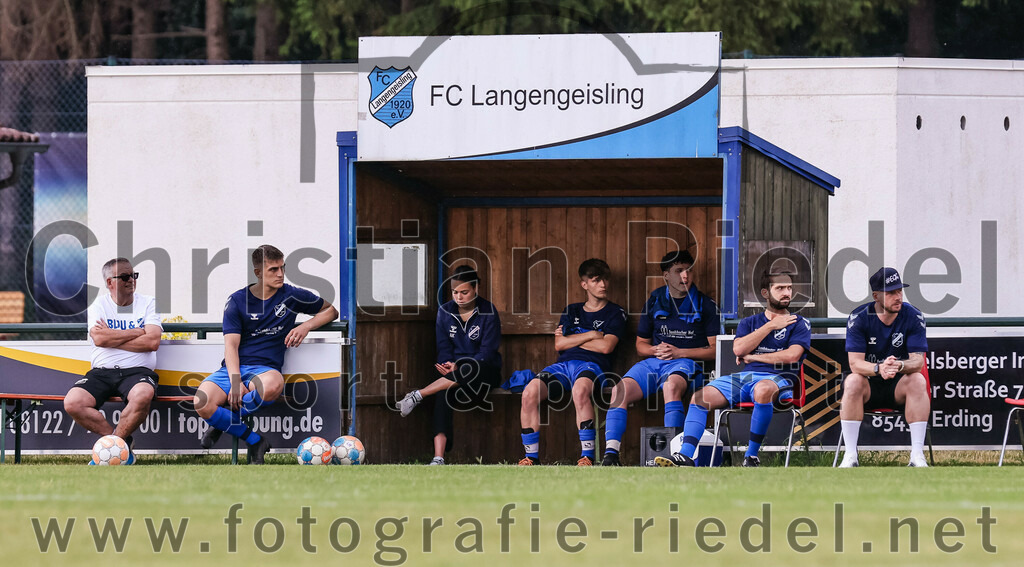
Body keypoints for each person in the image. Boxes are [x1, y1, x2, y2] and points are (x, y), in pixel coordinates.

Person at [193, 245, 338, 464]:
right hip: (233, 368)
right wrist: (234, 381)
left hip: (265, 370)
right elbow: (231, 347)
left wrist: (305, 326)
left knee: (272, 385)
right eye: (273, 269)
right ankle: (255, 440)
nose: (280, 274)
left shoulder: (291, 295)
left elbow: (331, 311)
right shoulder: (237, 301)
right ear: (258, 273)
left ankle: (222, 423)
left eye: (282, 268)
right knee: (201, 402)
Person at [657, 270, 810, 467]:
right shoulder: (750, 323)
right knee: (699, 397)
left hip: (778, 380)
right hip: (745, 378)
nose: (786, 293)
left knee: (763, 389)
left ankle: (751, 456)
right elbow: (738, 348)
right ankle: (685, 456)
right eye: (780, 288)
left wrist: (753, 356)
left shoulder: (800, 323)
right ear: (765, 293)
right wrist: (771, 326)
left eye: (789, 288)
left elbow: (792, 356)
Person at [600, 250, 719, 466]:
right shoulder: (655, 300)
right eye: (678, 271)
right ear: (666, 275)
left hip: (688, 363)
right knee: (619, 390)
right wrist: (655, 350)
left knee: (671, 386)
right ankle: (611, 455)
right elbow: (640, 346)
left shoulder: (705, 304)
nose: (685, 276)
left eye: (689, 270)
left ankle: (674, 454)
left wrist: (679, 352)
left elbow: (714, 350)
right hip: (655, 362)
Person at [517, 259, 627, 467]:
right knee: (529, 392)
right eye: (596, 280)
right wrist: (593, 335)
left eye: (605, 279)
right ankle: (531, 457)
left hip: (593, 366)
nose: (603, 284)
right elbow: (559, 345)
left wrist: (573, 340)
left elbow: (606, 348)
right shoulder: (572, 310)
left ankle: (587, 456)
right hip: (563, 367)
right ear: (584, 284)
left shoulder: (615, 312)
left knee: (580, 390)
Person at [398, 265, 502, 465]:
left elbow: (487, 353)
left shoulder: (488, 311)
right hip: (454, 374)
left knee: (471, 367)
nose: (459, 297)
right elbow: (443, 347)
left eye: (464, 292)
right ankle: (438, 458)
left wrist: (460, 365)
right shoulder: (445, 311)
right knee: (442, 393)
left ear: (476, 289)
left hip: (484, 375)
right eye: (455, 292)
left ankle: (417, 395)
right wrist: (448, 364)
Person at [64, 258, 161, 465]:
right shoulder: (98, 304)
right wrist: (136, 331)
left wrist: (112, 338)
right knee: (73, 402)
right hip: (102, 372)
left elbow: (152, 341)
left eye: (133, 275)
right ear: (110, 282)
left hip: (137, 372)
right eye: (125, 277)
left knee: (143, 394)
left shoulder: (148, 302)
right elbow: (99, 339)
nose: (131, 280)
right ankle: (121, 444)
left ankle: (115, 448)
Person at [837, 267, 930, 468]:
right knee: (852, 381)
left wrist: (899, 365)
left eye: (899, 291)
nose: (898, 297)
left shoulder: (913, 316)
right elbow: (855, 364)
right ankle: (850, 456)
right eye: (891, 293)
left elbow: (918, 361)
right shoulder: (859, 317)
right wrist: (880, 368)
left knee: (918, 379)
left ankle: (917, 456)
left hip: (899, 386)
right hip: (869, 386)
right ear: (876, 296)